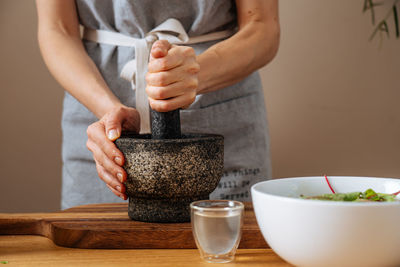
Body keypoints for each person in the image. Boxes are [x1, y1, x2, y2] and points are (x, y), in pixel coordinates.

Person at [36, 0, 280, 209]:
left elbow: (262, 27)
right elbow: (57, 29)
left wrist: (196, 74)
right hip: (98, 119)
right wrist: (107, 110)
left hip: (222, 118)